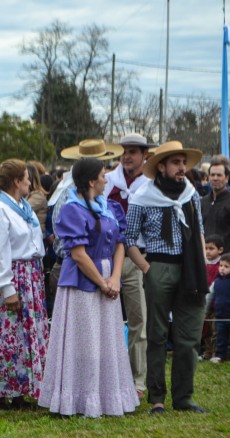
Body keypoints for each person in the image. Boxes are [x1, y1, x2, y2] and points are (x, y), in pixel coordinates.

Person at [39, 157, 138, 417]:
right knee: (84, 341)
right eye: (103, 175)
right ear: (92, 181)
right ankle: (77, 399)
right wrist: (101, 282)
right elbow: (79, 254)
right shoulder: (72, 209)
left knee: (107, 339)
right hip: (83, 280)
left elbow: (119, 243)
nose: (107, 179)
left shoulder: (111, 207)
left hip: (106, 274)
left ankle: (105, 398)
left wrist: (115, 278)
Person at [125, 141, 209, 414]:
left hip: (191, 267)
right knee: (157, 335)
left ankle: (184, 398)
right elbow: (129, 239)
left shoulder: (190, 193)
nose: (182, 168)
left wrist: (202, 264)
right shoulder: (142, 196)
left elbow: (199, 231)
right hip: (159, 265)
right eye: (175, 162)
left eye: (183, 162)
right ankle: (157, 398)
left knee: (189, 336)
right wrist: (147, 268)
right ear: (161, 166)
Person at [0, 159, 49, 403]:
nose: (29, 182)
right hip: (10, 276)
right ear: (16, 181)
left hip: (29, 275)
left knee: (23, 334)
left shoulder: (22, 206)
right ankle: (0, 386)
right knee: (5, 333)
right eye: (26, 177)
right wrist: (7, 288)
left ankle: (20, 386)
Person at [103, 134, 150, 397]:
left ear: (145, 155)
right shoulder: (108, 180)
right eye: (124, 151)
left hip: (136, 258)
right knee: (103, 318)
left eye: (133, 151)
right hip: (106, 258)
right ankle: (108, 375)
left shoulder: (150, 185)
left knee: (138, 319)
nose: (127, 156)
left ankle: (137, 380)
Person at [206, 252, 230, 363]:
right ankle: (220, 355)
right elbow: (209, 296)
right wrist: (205, 311)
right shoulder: (216, 282)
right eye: (221, 265)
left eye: (226, 267)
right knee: (220, 337)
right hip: (219, 315)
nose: (222, 269)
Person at [201, 235, 225, 360]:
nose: (208, 251)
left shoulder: (223, 265)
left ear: (220, 250)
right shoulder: (203, 264)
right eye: (206, 248)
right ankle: (207, 352)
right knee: (205, 330)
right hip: (204, 303)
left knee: (216, 330)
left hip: (217, 304)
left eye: (211, 248)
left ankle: (217, 353)